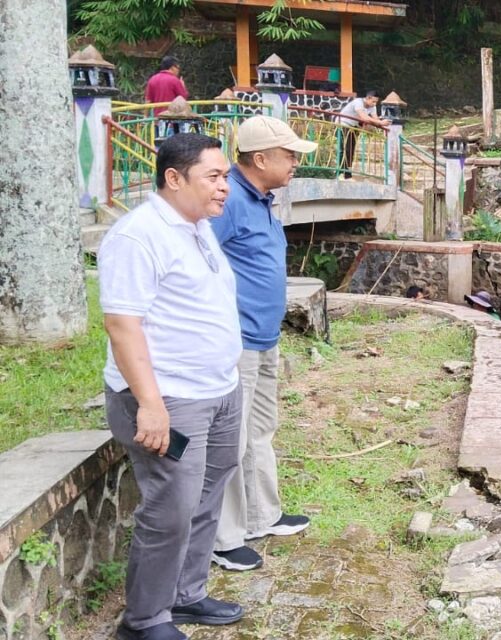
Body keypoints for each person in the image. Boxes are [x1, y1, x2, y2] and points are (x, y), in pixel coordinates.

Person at [99, 133, 244, 640]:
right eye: (215, 176)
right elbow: (123, 325)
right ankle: (144, 621)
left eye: (225, 176)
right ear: (174, 178)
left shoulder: (197, 225)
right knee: (171, 506)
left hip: (218, 390)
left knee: (209, 489)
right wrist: (151, 405)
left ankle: (186, 593)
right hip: (171, 400)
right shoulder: (138, 236)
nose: (225, 186)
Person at [209, 117, 317, 572]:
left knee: (260, 431)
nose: (295, 162)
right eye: (289, 154)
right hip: (237, 342)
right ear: (260, 159)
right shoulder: (229, 199)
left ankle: (261, 515)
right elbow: (199, 261)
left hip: (264, 336)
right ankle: (223, 538)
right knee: (230, 441)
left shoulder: (263, 199)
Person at [337, 90, 390, 179]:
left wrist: (381, 123)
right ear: (368, 98)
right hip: (343, 124)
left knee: (351, 149)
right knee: (345, 148)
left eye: (376, 102)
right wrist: (380, 122)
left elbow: (375, 119)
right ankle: (341, 172)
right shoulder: (358, 102)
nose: (374, 104)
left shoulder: (372, 107)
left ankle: (346, 172)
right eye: (373, 101)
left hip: (354, 127)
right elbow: (364, 117)